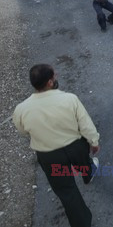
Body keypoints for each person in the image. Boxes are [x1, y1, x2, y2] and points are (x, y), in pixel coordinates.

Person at [13, 64, 100, 227]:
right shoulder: (69, 99)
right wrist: (93, 142)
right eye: (54, 75)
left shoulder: (21, 109)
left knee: (67, 191)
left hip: (49, 156)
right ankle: (87, 174)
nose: (57, 75)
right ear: (50, 82)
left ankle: (82, 223)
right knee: (83, 163)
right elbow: (85, 124)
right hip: (75, 147)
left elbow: (23, 131)